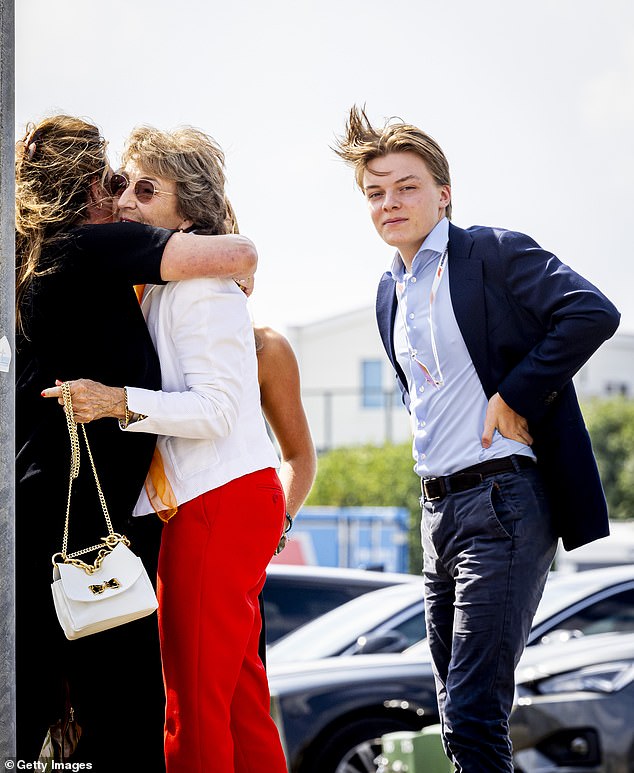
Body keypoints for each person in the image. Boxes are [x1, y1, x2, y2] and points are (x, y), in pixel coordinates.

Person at [333, 106, 620, 772]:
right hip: (438, 511)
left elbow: (592, 311)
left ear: (443, 192)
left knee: (470, 710)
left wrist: (516, 393)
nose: (390, 203)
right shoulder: (390, 291)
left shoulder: (489, 252)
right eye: (375, 193)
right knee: (455, 710)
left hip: (504, 501)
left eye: (405, 186)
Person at [45, 125, 293, 772]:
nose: (125, 199)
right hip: (220, 498)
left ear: (189, 208)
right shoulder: (165, 286)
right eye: (120, 183)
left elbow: (215, 411)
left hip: (217, 501)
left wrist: (116, 399)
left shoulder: (200, 290)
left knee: (192, 706)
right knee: (238, 701)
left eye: (146, 188)